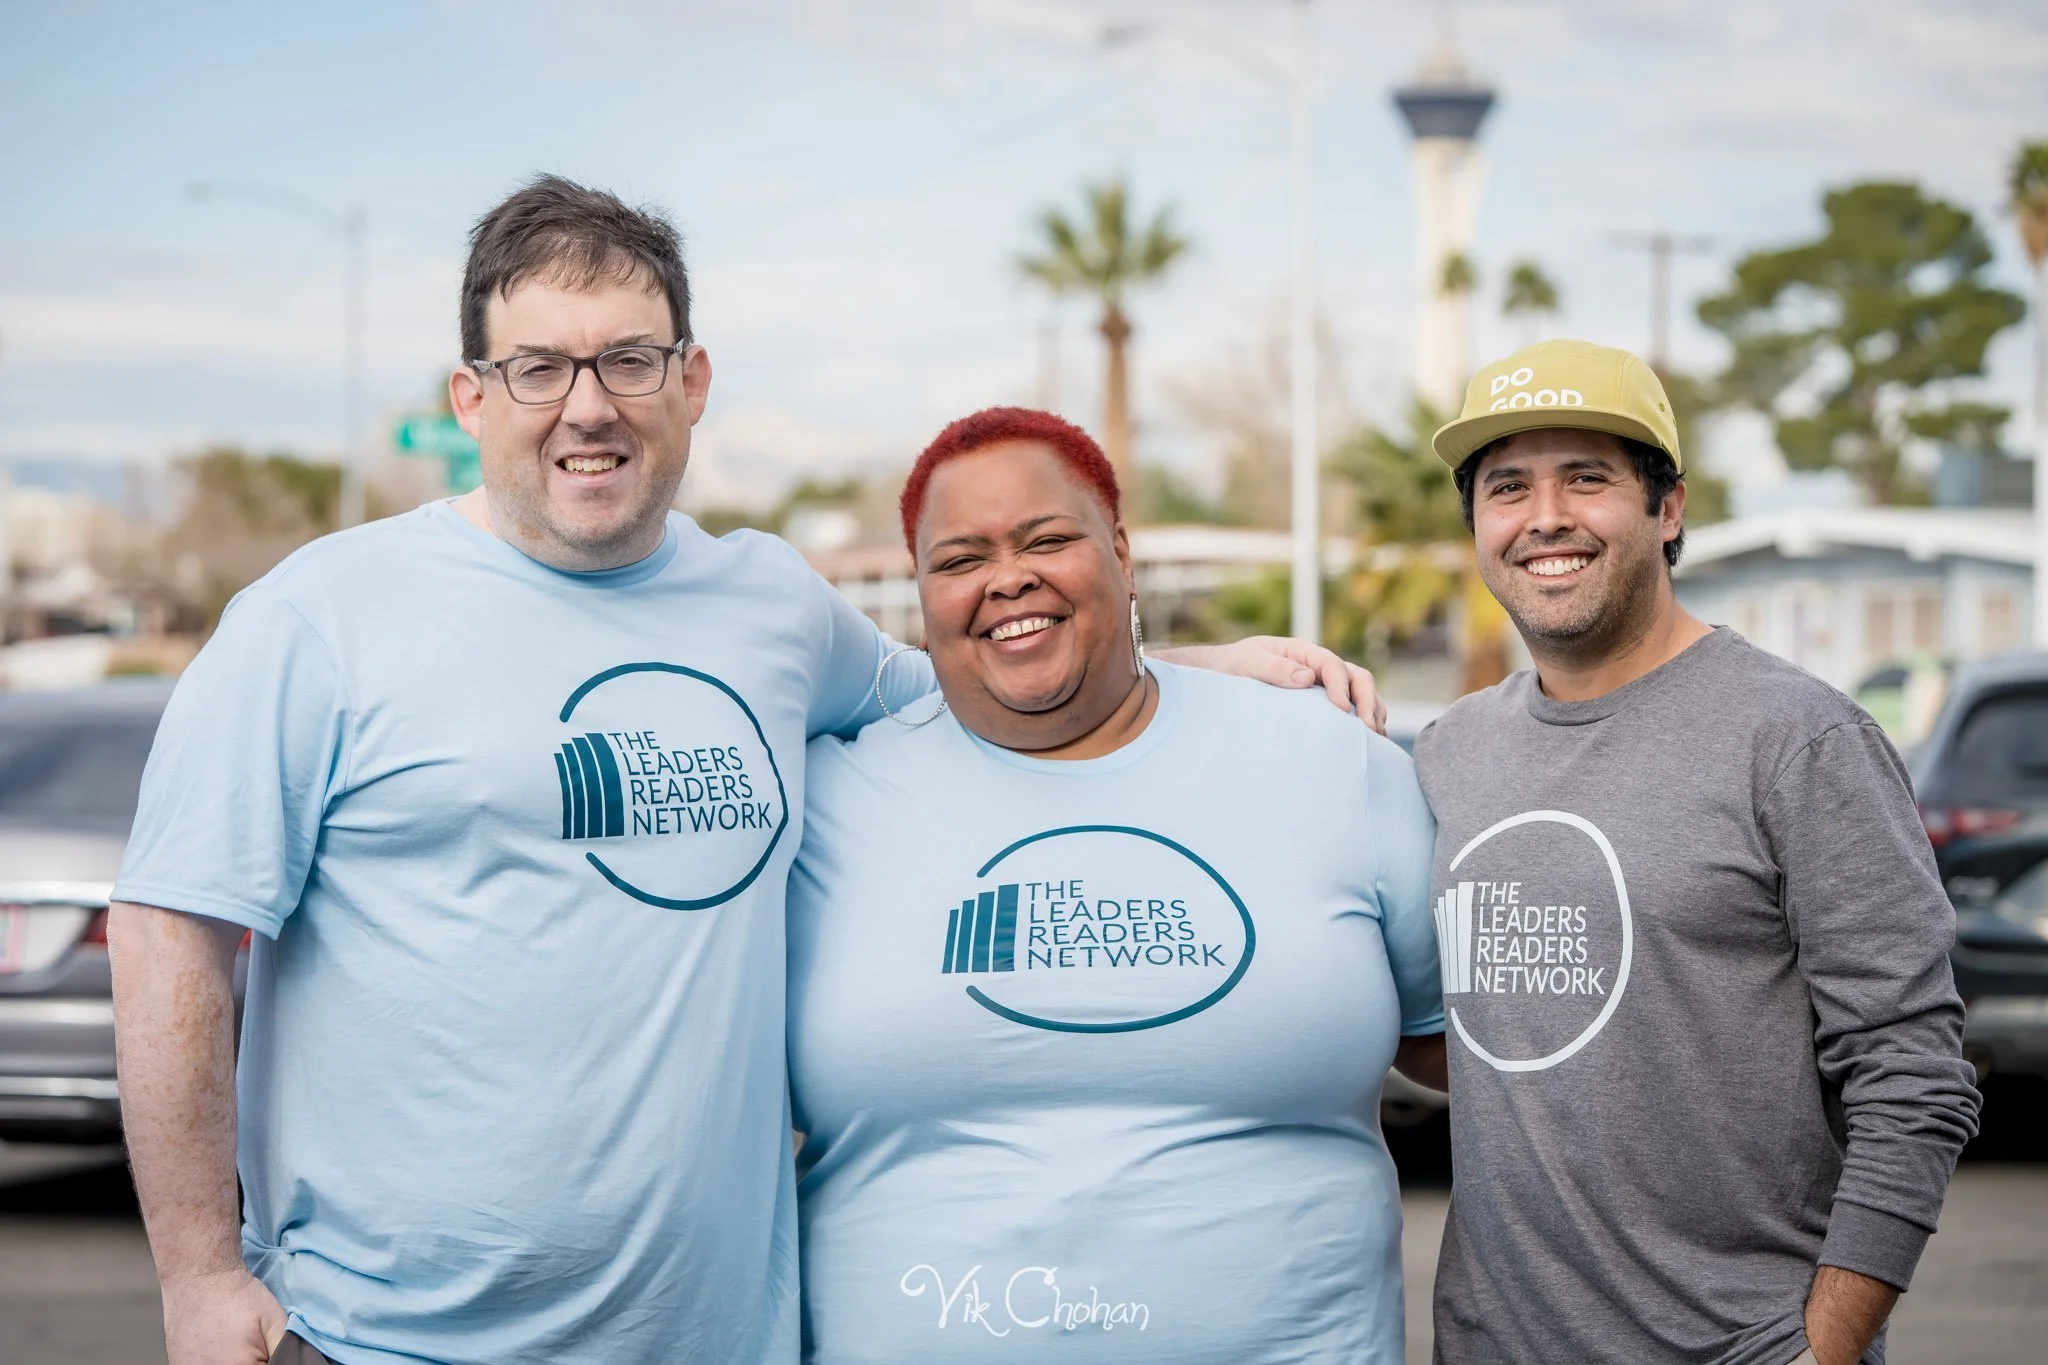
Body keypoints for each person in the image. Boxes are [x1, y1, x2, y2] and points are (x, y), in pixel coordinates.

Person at [106, 178, 1380, 1365]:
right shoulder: (320, 618)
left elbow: (964, 681)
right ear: (472, 398)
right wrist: (198, 1275)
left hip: (716, 1339)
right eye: (538, 367)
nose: (588, 406)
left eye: (629, 359)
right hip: (382, 1337)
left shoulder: (769, 602)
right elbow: (171, 929)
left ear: (692, 380)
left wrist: (1190, 665)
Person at [785, 406, 1447, 1364]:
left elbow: (1477, 1062)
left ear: (1123, 556)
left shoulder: (1335, 763)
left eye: (1046, 540)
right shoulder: (817, 803)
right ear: (920, 594)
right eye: (961, 558)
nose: (1008, 577)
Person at [1413, 339, 1981, 1365]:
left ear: (1667, 508)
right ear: (1477, 527)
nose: (1545, 516)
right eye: (1508, 487)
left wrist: (1821, 1350)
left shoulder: (1797, 738)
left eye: (1586, 478)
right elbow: (1468, 1038)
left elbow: (1911, 1072)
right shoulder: (1451, 752)